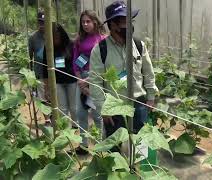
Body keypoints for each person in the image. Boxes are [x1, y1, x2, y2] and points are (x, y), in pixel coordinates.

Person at [89, 1, 158, 143]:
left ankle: (136, 166)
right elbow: (95, 82)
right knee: (116, 148)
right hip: (114, 107)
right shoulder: (100, 49)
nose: (129, 26)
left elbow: (148, 72)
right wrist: (104, 109)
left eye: (129, 21)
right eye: (123, 22)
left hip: (138, 104)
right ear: (112, 25)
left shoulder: (139, 45)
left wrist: (150, 97)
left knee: (141, 145)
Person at [72, 10, 106, 155]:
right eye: (83, 22)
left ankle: (101, 146)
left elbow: (106, 64)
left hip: (97, 80)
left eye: (88, 21)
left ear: (95, 22)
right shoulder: (79, 40)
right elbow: (76, 60)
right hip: (81, 80)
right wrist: (80, 79)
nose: (85, 24)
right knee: (80, 113)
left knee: (98, 114)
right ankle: (83, 145)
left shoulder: (104, 40)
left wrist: (89, 82)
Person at [42, 23, 77, 132]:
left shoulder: (71, 45)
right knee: (62, 108)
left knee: (74, 107)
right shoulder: (48, 48)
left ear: (62, 35)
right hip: (57, 82)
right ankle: (64, 130)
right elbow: (45, 68)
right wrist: (47, 87)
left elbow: (78, 60)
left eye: (57, 37)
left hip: (72, 81)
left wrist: (81, 73)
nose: (55, 40)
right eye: (52, 37)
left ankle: (76, 127)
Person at [28, 10, 50, 124]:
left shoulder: (53, 35)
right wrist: (31, 74)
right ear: (38, 23)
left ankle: (53, 117)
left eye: (44, 22)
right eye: (40, 22)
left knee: (52, 96)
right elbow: (30, 57)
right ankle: (47, 120)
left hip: (52, 73)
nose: (42, 25)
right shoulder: (33, 38)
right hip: (40, 72)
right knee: (42, 97)